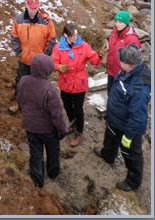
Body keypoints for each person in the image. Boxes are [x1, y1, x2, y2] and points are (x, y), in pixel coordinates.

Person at [96, 45, 151, 191]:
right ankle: (108, 155)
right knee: (110, 138)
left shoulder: (139, 87)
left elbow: (138, 117)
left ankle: (133, 181)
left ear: (129, 64)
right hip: (115, 119)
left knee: (131, 154)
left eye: (121, 60)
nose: (118, 61)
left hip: (127, 127)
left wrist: (129, 136)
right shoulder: (127, 71)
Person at [16, 53, 69, 188]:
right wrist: (62, 130)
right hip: (47, 130)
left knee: (35, 152)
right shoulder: (49, 89)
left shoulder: (23, 81)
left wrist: (26, 115)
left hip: (30, 127)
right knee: (52, 151)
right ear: (48, 70)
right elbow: (56, 115)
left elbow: (20, 101)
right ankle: (53, 172)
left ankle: (37, 179)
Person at [50, 21, 100, 146]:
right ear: (66, 36)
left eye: (76, 34)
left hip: (79, 83)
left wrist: (99, 55)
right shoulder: (58, 47)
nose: (76, 37)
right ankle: (73, 125)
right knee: (67, 106)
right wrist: (58, 66)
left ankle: (79, 132)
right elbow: (52, 62)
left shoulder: (84, 46)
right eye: (73, 35)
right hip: (65, 82)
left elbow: (94, 60)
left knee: (78, 109)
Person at [10, 0, 56, 111]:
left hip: (39, 61)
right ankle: (19, 102)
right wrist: (19, 52)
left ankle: (36, 104)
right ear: (26, 5)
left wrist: (45, 55)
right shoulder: (19, 20)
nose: (34, 10)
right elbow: (14, 37)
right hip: (24, 58)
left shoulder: (46, 21)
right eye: (31, 8)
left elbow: (52, 38)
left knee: (38, 83)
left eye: (36, 8)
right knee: (21, 81)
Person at [105, 10, 141, 91]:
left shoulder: (132, 39)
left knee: (119, 99)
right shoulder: (114, 34)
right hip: (111, 71)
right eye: (116, 21)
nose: (118, 24)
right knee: (110, 94)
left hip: (122, 75)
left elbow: (135, 62)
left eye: (121, 22)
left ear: (126, 23)